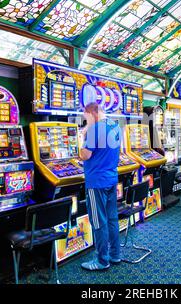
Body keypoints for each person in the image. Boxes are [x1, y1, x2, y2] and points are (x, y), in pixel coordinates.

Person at [79, 102, 121, 271]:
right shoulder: (115, 125)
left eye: (86, 117)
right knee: (111, 219)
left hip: (96, 182)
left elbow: (85, 155)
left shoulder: (95, 129)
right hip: (111, 178)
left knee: (99, 222)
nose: (86, 120)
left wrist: (82, 136)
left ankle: (102, 261)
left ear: (92, 113)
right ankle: (115, 254)